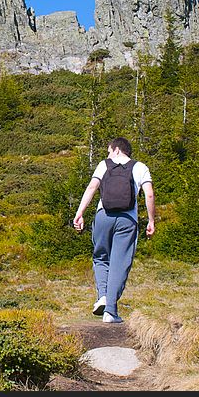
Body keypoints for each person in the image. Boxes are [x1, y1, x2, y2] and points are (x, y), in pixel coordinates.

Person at [72, 137, 155, 324]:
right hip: (127, 219)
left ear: (117, 150)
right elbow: (149, 193)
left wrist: (80, 213)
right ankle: (110, 310)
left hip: (103, 216)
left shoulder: (104, 165)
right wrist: (151, 220)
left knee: (101, 257)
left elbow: (92, 187)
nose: (108, 154)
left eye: (109, 151)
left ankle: (102, 295)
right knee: (120, 264)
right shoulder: (140, 167)